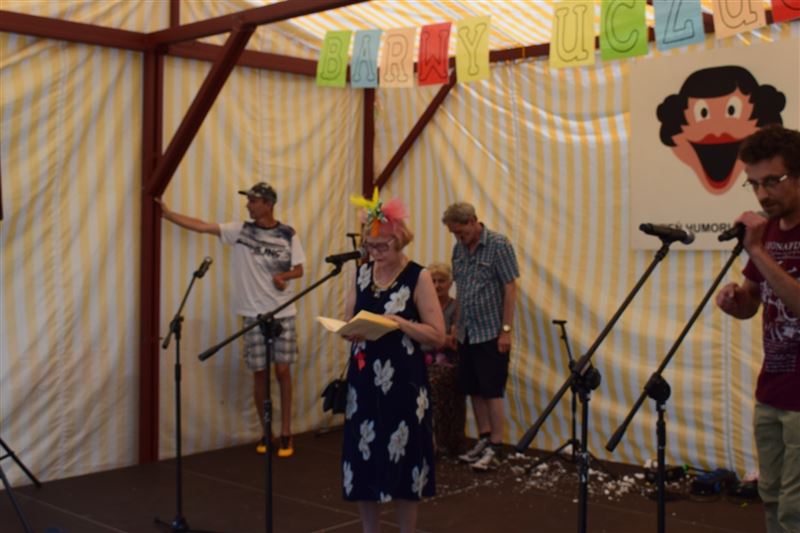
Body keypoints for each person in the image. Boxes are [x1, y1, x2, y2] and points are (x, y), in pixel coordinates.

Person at [156, 182, 305, 458]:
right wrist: (168, 214)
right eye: (248, 200)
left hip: (283, 313)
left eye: (253, 200)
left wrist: (283, 277)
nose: (248, 205)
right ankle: (267, 432)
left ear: (268, 204)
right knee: (260, 372)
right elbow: (203, 226)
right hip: (252, 313)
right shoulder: (241, 231)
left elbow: (299, 269)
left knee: (283, 372)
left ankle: (287, 431)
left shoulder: (288, 234)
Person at [341, 189, 445, 533]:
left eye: (382, 246)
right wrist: (349, 330)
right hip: (363, 383)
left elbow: (437, 334)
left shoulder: (418, 276)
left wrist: (400, 323)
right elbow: (348, 319)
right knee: (363, 458)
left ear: (399, 241)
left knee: (404, 460)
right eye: (370, 246)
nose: (375, 253)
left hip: (403, 382)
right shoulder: (360, 274)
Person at [715, 124, 800, 533]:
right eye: (754, 184)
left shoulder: (761, 242)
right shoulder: (767, 233)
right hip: (773, 389)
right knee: (771, 495)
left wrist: (756, 249)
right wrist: (736, 301)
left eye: (772, 181)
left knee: (796, 508)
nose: (762, 194)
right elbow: (752, 301)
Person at [442, 202, 519, 472]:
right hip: (467, 332)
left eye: (461, 232)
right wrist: (455, 326)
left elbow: (510, 289)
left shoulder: (499, 245)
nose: (458, 237)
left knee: (492, 389)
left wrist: (506, 330)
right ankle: (483, 438)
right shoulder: (458, 250)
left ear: (473, 221)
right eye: (454, 233)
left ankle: (497, 446)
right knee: (473, 388)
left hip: (491, 331)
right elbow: (461, 290)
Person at [421, 262, 465, 457]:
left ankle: (441, 442)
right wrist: (440, 338)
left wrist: (431, 337)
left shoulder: (457, 307)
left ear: (450, 283)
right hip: (423, 357)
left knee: (433, 382)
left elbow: (454, 343)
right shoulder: (421, 306)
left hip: (448, 362)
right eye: (433, 281)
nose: (437, 285)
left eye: (441, 281)